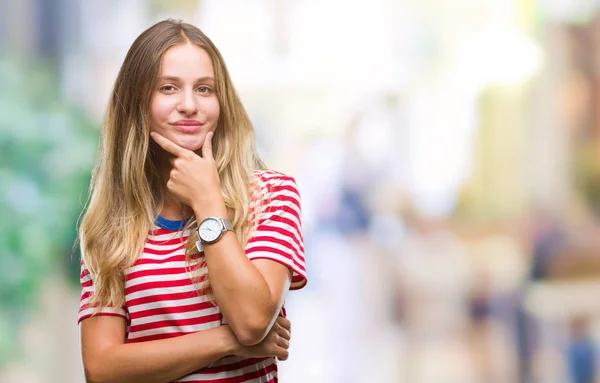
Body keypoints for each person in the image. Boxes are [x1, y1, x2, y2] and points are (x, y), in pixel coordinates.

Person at [77, 19, 306, 383]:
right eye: (168, 88)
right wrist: (222, 341)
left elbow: (251, 322)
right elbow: (102, 368)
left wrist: (208, 203)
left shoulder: (270, 196)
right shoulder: (111, 223)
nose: (189, 105)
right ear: (137, 102)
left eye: (204, 89)